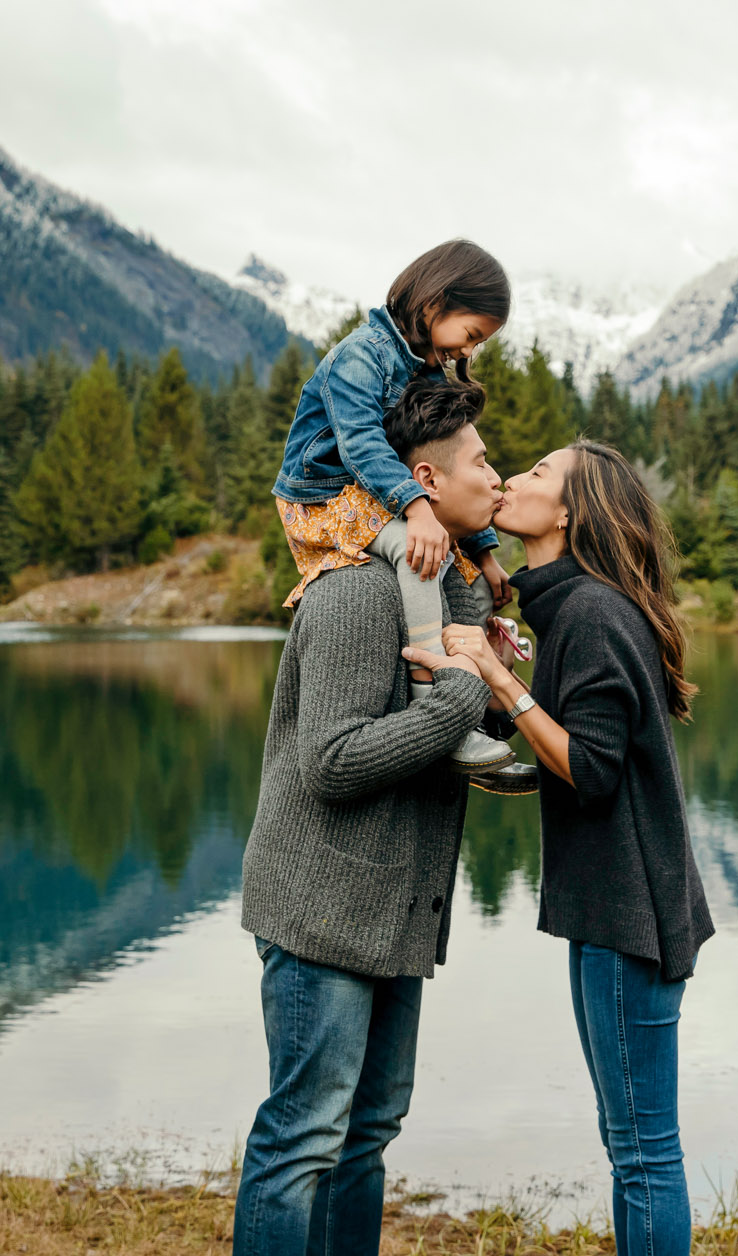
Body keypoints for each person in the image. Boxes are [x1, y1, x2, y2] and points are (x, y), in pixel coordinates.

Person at [410, 441, 715, 1256]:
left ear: (572, 514)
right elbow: (572, 751)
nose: (514, 479)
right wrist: (515, 681)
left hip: (631, 917)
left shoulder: (592, 613)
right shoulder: (575, 609)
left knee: (645, 1154)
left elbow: (594, 771)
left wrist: (502, 684)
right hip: (619, 912)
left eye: (540, 475)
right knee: (632, 1151)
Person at [235, 379, 516, 1256]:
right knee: (305, 1138)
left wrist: (495, 697)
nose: (498, 477)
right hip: (320, 906)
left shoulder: (456, 599)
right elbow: (332, 762)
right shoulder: (357, 594)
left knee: (369, 1132)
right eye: (482, 462)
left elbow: (456, 723)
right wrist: (458, 706)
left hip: (393, 908)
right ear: (425, 481)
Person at [273, 237, 521, 780]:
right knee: (417, 554)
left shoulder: (425, 372)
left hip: (377, 494)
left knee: (460, 569)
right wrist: (416, 510)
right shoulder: (360, 355)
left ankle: (479, 702)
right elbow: (362, 443)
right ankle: (428, 702)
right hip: (323, 499)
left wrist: (485, 553)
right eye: (471, 334)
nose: (468, 352)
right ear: (435, 303)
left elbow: (442, 467)